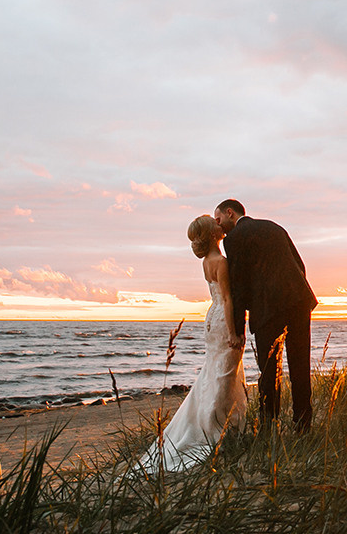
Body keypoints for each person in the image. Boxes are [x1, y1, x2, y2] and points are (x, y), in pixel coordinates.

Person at [133, 215, 247, 474]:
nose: (221, 224)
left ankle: (219, 423)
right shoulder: (221, 262)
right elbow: (229, 300)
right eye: (215, 224)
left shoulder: (207, 262)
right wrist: (234, 332)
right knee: (223, 375)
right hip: (222, 320)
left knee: (215, 371)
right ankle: (214, 428)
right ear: (212, 233)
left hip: (211, 318)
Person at [214, 199, 317, 433]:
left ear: (230, 213)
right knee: (301, 365)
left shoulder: (233, 239)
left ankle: (269, 427)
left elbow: (238, 287)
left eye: (218, 219)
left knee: (270, 369)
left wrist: (237, 330)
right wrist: (295, 292)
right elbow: (300, 264)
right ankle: (303, 425)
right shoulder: (274, 226)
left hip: (267, 309)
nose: (218, 225)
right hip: (298, 301)